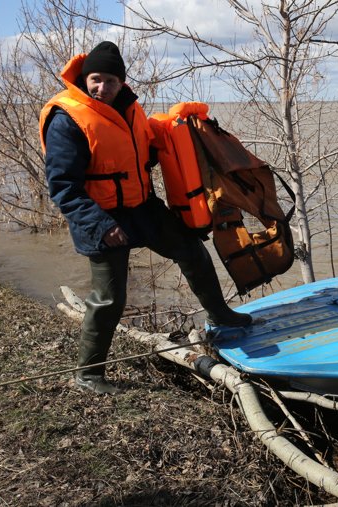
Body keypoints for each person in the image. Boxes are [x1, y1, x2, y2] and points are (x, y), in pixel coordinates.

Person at [39, 41, 252, 395]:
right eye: (95, 80)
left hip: (141, 207)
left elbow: (144, 151)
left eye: (110, 80)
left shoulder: (130, 108)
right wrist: (101, 225)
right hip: (100, 216)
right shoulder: (68, 118)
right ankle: (89, 373)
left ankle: (220, 314)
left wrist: (182, 127)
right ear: (84, 79)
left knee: (191, 249)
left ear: (121, 82)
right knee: (109, 297)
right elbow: (62, 187)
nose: (102, 88)